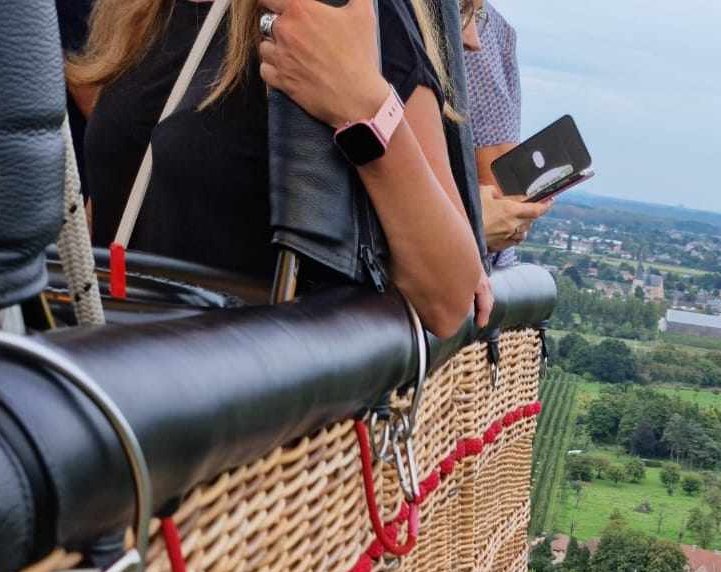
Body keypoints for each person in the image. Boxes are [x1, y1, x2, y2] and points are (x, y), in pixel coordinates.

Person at [72, 0, 488, 337]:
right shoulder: (133, 11)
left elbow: (448, 297)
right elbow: (120, 197)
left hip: (245, 409)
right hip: (120, 384)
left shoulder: (343, 8)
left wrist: (364, 109)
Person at [461, 0, 551, 259]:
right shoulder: (475, 19)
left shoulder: (490, 25)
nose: (471, 41)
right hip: (459, 264)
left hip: (470, 261)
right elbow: (505, 194)